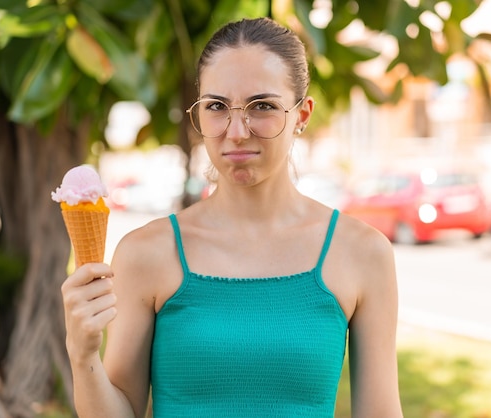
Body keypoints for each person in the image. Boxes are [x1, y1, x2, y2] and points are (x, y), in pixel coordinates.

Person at [61, 17, 403, 418]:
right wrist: (81, 353)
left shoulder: (362, 254)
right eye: (217, 107)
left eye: (262, 106)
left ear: (302, 115)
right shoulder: (145, 253)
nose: (236, 131)